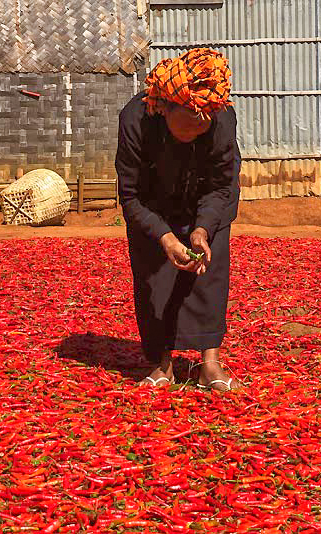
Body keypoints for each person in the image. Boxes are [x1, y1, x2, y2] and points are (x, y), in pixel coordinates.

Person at [115, 48, 242, 390]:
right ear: (164, 108)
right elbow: (131, 194)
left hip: (205, 201)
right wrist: (166, 237)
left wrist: (202, 229)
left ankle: (209, 364)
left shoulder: (221, 119)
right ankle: (163, 363)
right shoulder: (136, 120)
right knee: (155, 281)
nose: (190, 137)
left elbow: (221, 185)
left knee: (210, 275)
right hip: (152, 203)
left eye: (198, 132)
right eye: (182, 130)